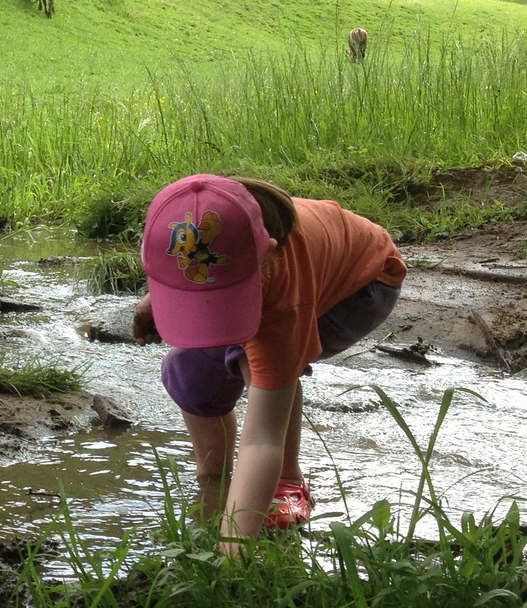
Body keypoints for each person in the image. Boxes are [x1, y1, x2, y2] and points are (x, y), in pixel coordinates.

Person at [131, 174, 406, 545]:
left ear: (270, 253)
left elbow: (262, 441)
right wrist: (154, 305)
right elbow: (182, 264)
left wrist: (232, 553)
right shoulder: (193, 233)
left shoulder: (282, 295)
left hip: (363, 283)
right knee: (186, 370)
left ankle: (287, 482)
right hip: (275, 273)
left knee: (264, 363)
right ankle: (214, 476)